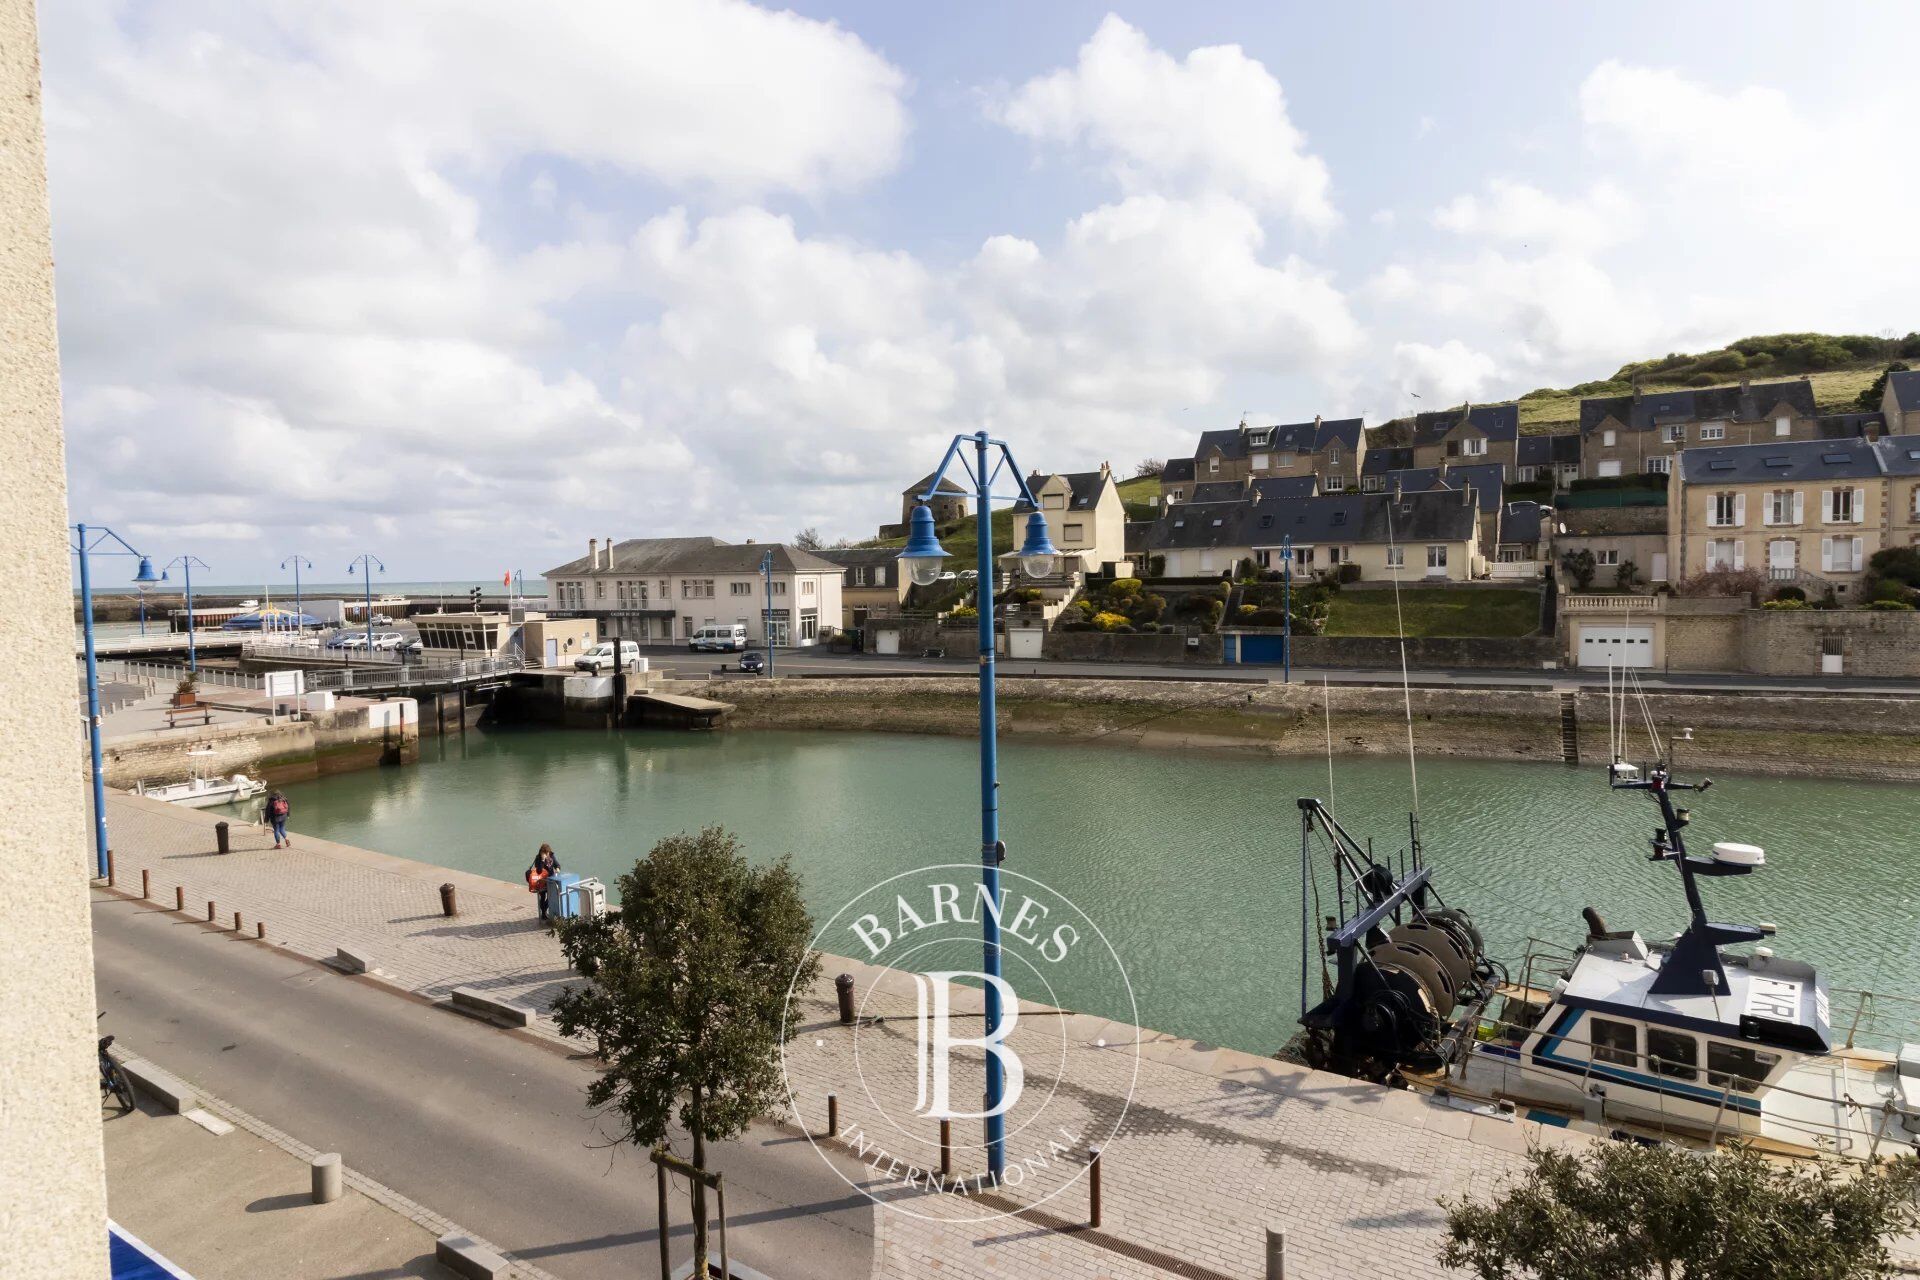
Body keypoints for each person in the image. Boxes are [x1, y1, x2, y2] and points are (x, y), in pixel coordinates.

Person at [528, 843, 560, 920]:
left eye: (548, 852)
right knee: (542, 897)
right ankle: (543, 914)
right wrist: (542, 860)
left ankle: (544, 909)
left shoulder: (551, 856)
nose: (547, 854)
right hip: (541, 881)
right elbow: (538, 871)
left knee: (552, 896)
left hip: (551, 880)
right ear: (542, 852)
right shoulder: (538, 858)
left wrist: (558, 868)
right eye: (546, 853)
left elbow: (557, 864)